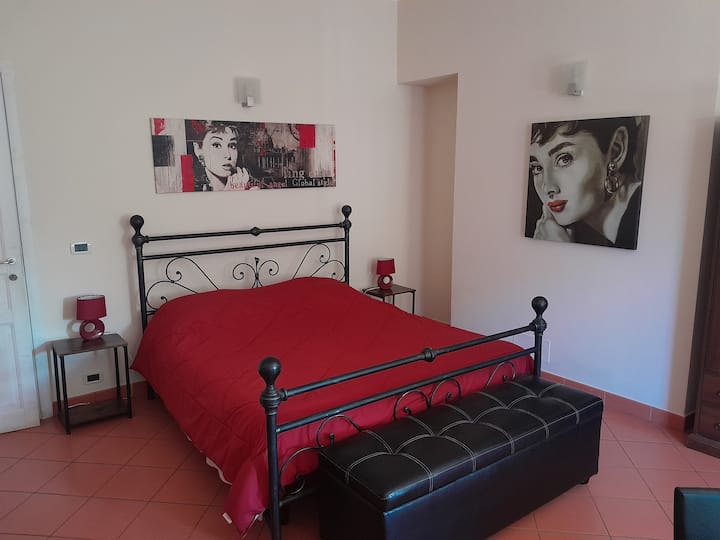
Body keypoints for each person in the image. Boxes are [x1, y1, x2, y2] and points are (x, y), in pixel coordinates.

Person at [526, 116, 647, 249]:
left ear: (615, 151)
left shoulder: (646, 217)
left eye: (565, 159)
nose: (548, 188)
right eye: (537, 168)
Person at [186, 120, 255, 191]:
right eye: (216, 145)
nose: (228, 155)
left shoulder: (251, 187)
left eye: (232, 145)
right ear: (198, 149)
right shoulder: (191, 188)